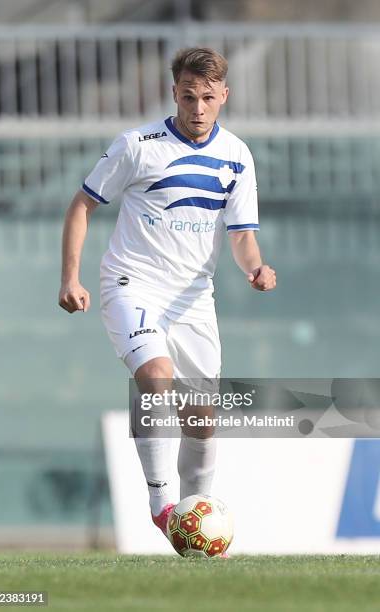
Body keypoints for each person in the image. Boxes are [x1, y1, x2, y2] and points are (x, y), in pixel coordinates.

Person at [59, 47, 276, 544]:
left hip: (194, 299)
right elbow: (81, 206)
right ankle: (163, 507)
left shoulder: (237, 156)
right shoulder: (138, 145)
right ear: (173, 93)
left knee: (202, 420)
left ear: (224, 95)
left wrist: (256, 269)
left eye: (206, 97)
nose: (197, 107)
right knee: (155, 377)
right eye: (187, 96)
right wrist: (70, 278)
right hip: (132, 282)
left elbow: (241, 235)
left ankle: (196, 515)